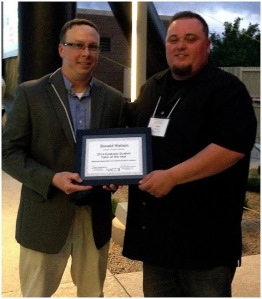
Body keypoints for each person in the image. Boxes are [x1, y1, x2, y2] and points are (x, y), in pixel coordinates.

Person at [123, 11, 257, 297]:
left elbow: (232, 147)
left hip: (204, 245)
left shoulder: (227, 90)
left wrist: (172, 176)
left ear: (207, 45)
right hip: (156, 241)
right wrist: (109, 171)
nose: (180, 45)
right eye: (173, 39)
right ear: (166, 46)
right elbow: (130, 136)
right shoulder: (152, 88)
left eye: (190, 39)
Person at [2, 18, 126, 297]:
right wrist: (52, 179)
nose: (86, 53)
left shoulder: (113, 98)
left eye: (93, 47)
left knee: (93, 293)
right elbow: (8, 153)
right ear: (61, 49)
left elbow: (118, 149)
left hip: (93, 217)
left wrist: (115, 176)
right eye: (78, 45)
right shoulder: (30, 93)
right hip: (44, 215)